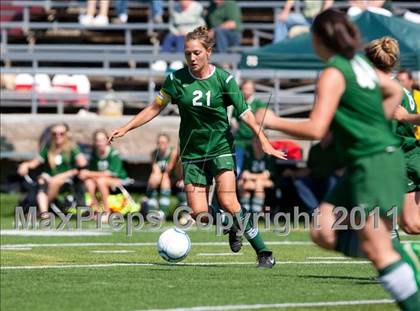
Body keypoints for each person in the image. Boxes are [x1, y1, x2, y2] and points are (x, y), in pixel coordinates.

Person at [257, 9, 419, 309]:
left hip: (375, 161)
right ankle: (396, 252)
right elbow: (393, 91)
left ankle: (405, 265)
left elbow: (316, 127)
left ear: (318, 39)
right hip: (366, 160)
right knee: (322, 231)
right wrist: (371, 125)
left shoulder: (333, 72)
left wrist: (274, 120)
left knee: (379, 250)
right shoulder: (359, 64)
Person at [109, 26, 286, 268]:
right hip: (192, 153)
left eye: (196, 53)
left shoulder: (224, 79)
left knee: (229, 202)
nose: (191, 58)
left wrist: (264, 140)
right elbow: (154, 107)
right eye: (187, 53)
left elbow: (246, 113)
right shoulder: (175, 79)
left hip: (221, 148)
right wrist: (127, 127)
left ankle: (264, 253)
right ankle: (231, 223)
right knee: (201, 214)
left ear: (208, 52)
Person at [365, 37, 420, 235]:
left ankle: (393, 263)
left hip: (400, 158)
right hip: (405, 158)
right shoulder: (398, 89)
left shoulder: (383, 91)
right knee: (411, 225)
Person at [17, 123, 87, 219]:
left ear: (67, 134)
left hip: (66, 181)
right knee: (42, 181)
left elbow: (81, 164)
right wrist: (25, 165)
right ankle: (44, 214)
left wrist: (69, 172)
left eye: (61, 133)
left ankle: (39, 211)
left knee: (54, 181)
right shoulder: (48, 148)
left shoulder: (72, 148)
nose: (58, 136)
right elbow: (35, 163)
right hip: (48, 179)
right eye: (54, 133)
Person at [78, 129, 128, 222]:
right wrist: (86, 175)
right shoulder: (94, 154)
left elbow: (110, 173)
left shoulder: (113, 154)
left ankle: (107, 211)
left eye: (102, 140)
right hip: (100, 179)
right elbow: (94, 171)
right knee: (89, 182)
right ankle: (96, 210)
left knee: (101, 181)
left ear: (107, 140)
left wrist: (88, 173)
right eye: (97, 140)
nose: (100, 143)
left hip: (118, 180)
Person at [151, 0, 205, 72]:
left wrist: (188, 33)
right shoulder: (176, 8)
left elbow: (200, 24)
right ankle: (162, 60)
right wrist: (175, 32)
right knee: (169, 37)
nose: (182, 2)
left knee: (180, 38)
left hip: (192, 33)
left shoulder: (197, 7)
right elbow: (171, 24)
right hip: (178, 32)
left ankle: (178, 61)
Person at [232, 80, 267, 176]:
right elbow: (234, 121)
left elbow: (263, 121)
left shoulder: (259, 104)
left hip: (254, 143)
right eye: (244, 88)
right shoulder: (238, 104)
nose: (247, 91)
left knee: (253, 170)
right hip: (240, 141)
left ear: (253, 90)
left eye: (249, 88)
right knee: (237, 170)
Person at [142, 133, 178, 218]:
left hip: (172, 178)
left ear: (168, 143)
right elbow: (155, 169)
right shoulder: (154, 153)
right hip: (159, 178)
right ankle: (152, 211)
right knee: (154, 177)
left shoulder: (173, 152)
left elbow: (169, 169)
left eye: (164, 142)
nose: (162, 144)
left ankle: (162, 212)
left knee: (164, 178)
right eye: (159, 142)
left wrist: (159, 176)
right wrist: (156, 177)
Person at [238, 137, 275, 214]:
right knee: (242, 184)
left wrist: (251, 177)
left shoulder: (269, 155)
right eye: (255, 142)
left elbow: (266, 175)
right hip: (250, 182)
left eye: (260, 143)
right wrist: (255, 177)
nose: (257, 145)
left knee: (259, 183)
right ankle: (246, 212)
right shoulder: (248, 153)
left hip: (270, 182)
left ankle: (256, 213)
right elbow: (245, 174)